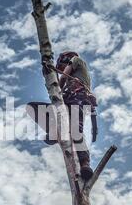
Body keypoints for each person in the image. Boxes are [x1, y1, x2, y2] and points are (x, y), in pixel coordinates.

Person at [27, 51, 97, 181]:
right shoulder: (70, 80)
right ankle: (53, 130)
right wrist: (49, 75)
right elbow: (61, 80)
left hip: (78, 99)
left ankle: (84, 163)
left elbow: (63, 77)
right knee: (33, 107)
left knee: (76, 130)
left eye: (61, 66)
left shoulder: (77, 60)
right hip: (64, 102)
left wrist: (54, 80)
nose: (61, 71)